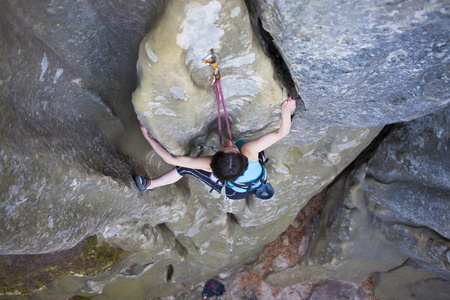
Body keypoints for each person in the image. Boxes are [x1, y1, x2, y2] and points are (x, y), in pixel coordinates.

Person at [135, 96, 296, 200]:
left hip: (237, 191)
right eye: (231, 147)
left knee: (185, 169)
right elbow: (282, 132)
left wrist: (147, 136)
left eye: (228, 147)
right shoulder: (249, 151)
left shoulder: (217, 163)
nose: (229, 143)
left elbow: (172, 159)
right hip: (255, 180)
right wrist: (286, 112)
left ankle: (149, 185)